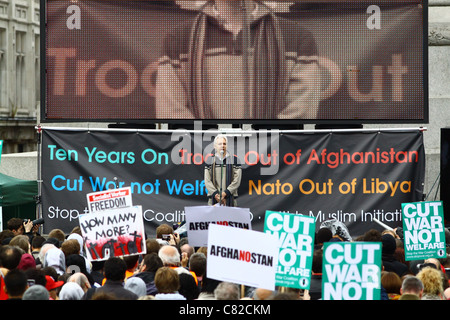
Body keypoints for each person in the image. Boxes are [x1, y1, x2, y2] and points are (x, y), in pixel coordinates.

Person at [156, 0, 320, 120]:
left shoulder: (298, 37)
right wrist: (214, 153)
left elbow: (301, 113)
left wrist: (260, 153)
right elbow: (171, 113)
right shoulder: (177, 38)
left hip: (274, 160)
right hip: (201, 160)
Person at [205, 135, 242, 206]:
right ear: (214, 146)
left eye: (224, 144)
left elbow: (237, 180)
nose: (222, 146)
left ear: (227, 146)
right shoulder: (209, 160)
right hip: (213, 199)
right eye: (219, 144)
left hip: (230, 199)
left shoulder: (235, 160)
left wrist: (225, 193)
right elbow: (207, 181)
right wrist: (216, 195)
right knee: (213, 217)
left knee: (230, 217)